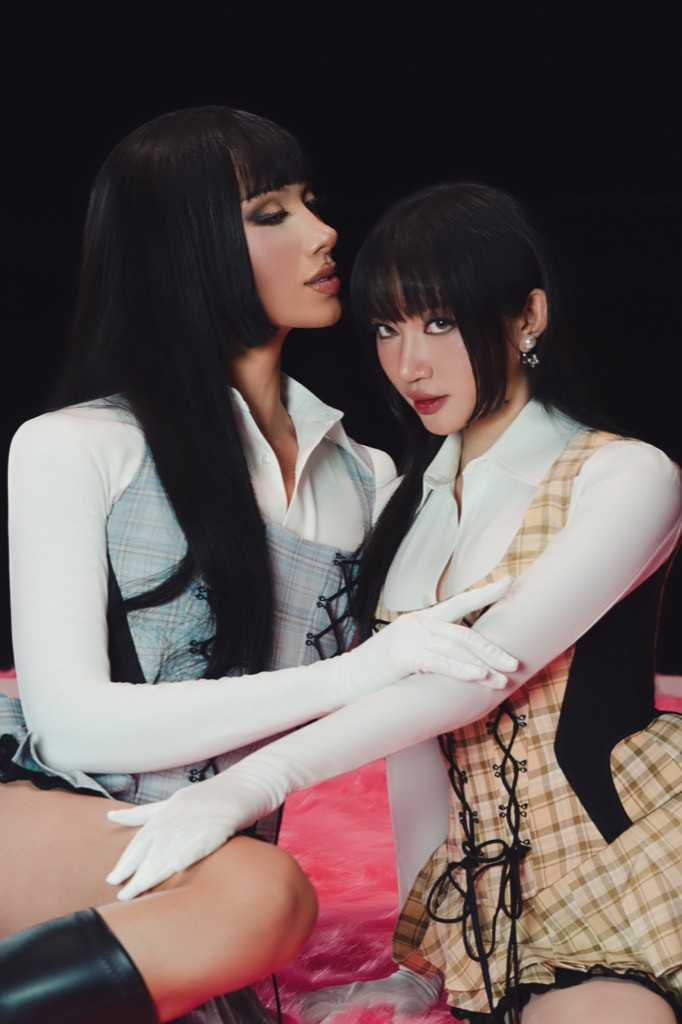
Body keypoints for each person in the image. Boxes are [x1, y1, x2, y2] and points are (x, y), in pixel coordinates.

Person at [102, 182, 682, 1023]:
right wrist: (427, 964)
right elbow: (416, 751)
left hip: (627, 856)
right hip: (495, 910)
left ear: (528, 316)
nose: (410, 365)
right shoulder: (401, 505)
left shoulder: (625, 476)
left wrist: (247, 785)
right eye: (386, 328)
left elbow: (475, 680)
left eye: (440, 322)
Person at [0, 116, 517, 1024]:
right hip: (45, 808)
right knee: (265, 897)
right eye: (271, 214)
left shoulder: (368, 479)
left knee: (254, 905)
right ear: (179, 246)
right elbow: (70, 727)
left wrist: (429, 952)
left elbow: (418, 729)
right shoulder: (76, 445)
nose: (324, 233)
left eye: (310, 203)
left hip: (210, 883)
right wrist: (360, 671)